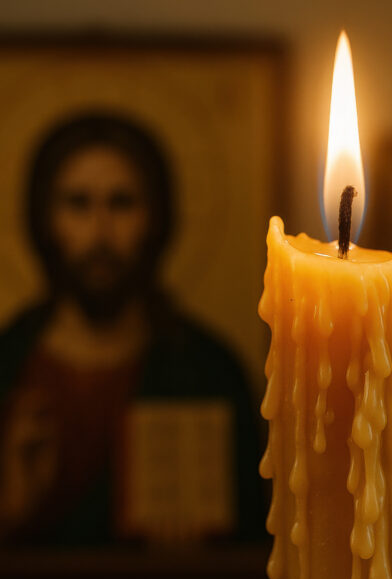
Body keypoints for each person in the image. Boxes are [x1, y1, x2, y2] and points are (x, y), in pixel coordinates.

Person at [0, 112, 262, 545]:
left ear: (155, 218)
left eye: (122, 203)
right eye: (78, 204)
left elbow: (254, 538)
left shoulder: (208, 370)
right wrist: (9, 514)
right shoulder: (9, 364)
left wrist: (198, 549)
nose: (100, 232)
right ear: (45, 219)